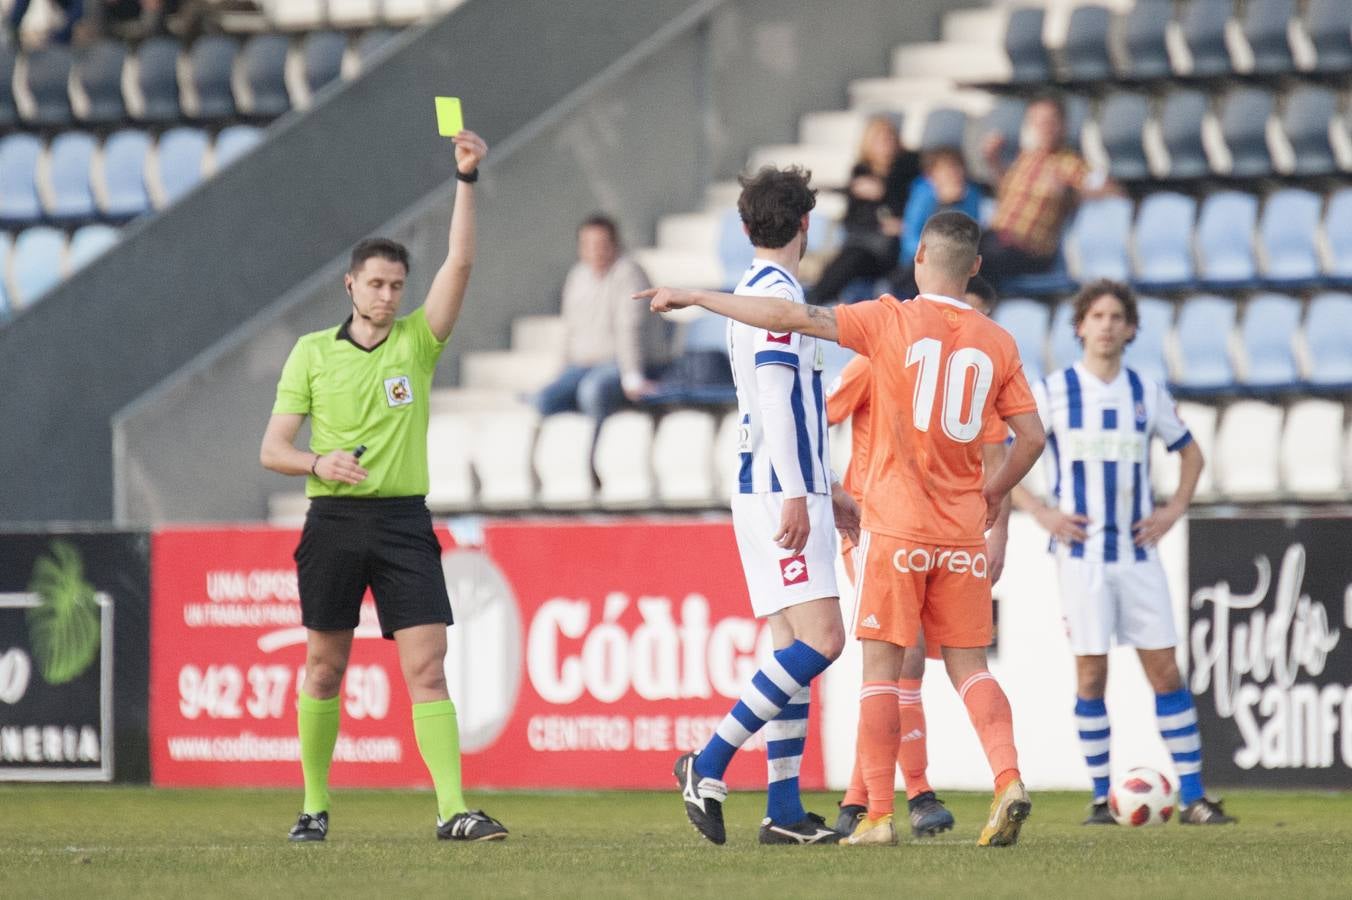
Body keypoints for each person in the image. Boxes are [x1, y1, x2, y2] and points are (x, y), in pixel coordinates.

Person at [641, 211, 1047, 848]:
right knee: (971, 670)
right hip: (963, 534)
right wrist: (992, 493)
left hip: (896, 529)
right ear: (974, 267)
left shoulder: (888, 318)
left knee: (880, 673)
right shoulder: (998, 341)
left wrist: (695, 295)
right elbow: (1033, 438)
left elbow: (789, 319)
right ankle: (1008, 781)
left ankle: (878, 815)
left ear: (918, 259)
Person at [259, 130, 508, 844]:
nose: (388, 295)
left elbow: (461, 260)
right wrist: (319, 464)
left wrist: (467, 180)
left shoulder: (417, 344)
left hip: (403, 521)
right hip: (333, 520)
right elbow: (273, 449)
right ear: (350, 285)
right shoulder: (311, 353)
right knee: (323, 666)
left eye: (397, 285)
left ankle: (452, 809)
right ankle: (312, 806)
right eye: (376, 283)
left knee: (428, 667)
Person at [668, 165, 859, 847]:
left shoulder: (750, 290)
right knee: (823, 641)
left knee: (789, 647)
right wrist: (799, 492)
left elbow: (779, 404)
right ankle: (709, 760)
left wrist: (823, 488)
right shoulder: (778, 296)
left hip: (764, 480)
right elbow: (778, 397)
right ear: (807, 225)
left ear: (747, 229)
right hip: (779, 487)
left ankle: (783, 808)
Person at [1011, 279, 1236, 827]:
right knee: (1091, 675)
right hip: (1082, 557)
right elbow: (1006, 455)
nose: (1107, 325)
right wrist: (1041, 512)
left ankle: (1194, 797)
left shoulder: (1145, 392)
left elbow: (1192, 455)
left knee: (1165, 670)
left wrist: (1172, 510)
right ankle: (1097, 798)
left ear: (1131, 328)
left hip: (1137, 556)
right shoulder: (1055, 390)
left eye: (1117, 316)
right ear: (1080, 326)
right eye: (1097, 316)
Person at [828, 274, 1009, 840]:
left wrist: (996, 534)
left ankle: (861, 803)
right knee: (906, 659)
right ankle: (919, 792)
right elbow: (820, 413)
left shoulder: (975, 368)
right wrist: (834, 488)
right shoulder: (885, 356)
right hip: (879, 523)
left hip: (944, 529)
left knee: (902, 663)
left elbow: (994, 446)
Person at [533, 214, 671, 432]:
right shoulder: (577, 276)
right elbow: (570, 329)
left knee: (592, 391)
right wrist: (561, 370)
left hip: (620, 364)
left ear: (614, 244)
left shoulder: (629, 273)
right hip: (582, 365)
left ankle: (594, 452)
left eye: (601, 244)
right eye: (587, 245)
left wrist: (632, 375)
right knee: (545, 399)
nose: (595, 251)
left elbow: (629, 328)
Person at [978, 93, 1116, 288]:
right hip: (996, 238)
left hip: (1029, 250)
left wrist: (1069, 192)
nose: (1044, 128)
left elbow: (1112, 190)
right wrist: (994, 162)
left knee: (977, 261)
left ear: (1062, 125)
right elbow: (1006, 192)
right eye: (1038, 122)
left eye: (1050, 122)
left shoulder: (1070, 164)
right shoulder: (1025, 158)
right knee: (944, 254)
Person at [806, 116, 919, 305]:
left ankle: (815, 300)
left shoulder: (907, 170)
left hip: (893, 249)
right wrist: (878, 223)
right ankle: (817, 298)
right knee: (850, 257)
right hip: (863, 243)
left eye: (889, 138)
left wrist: (884, 192)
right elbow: (851, 220)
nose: (886, 144)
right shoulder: (860, 173)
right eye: (879, 139)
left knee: (852, 258)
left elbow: (912, 208)